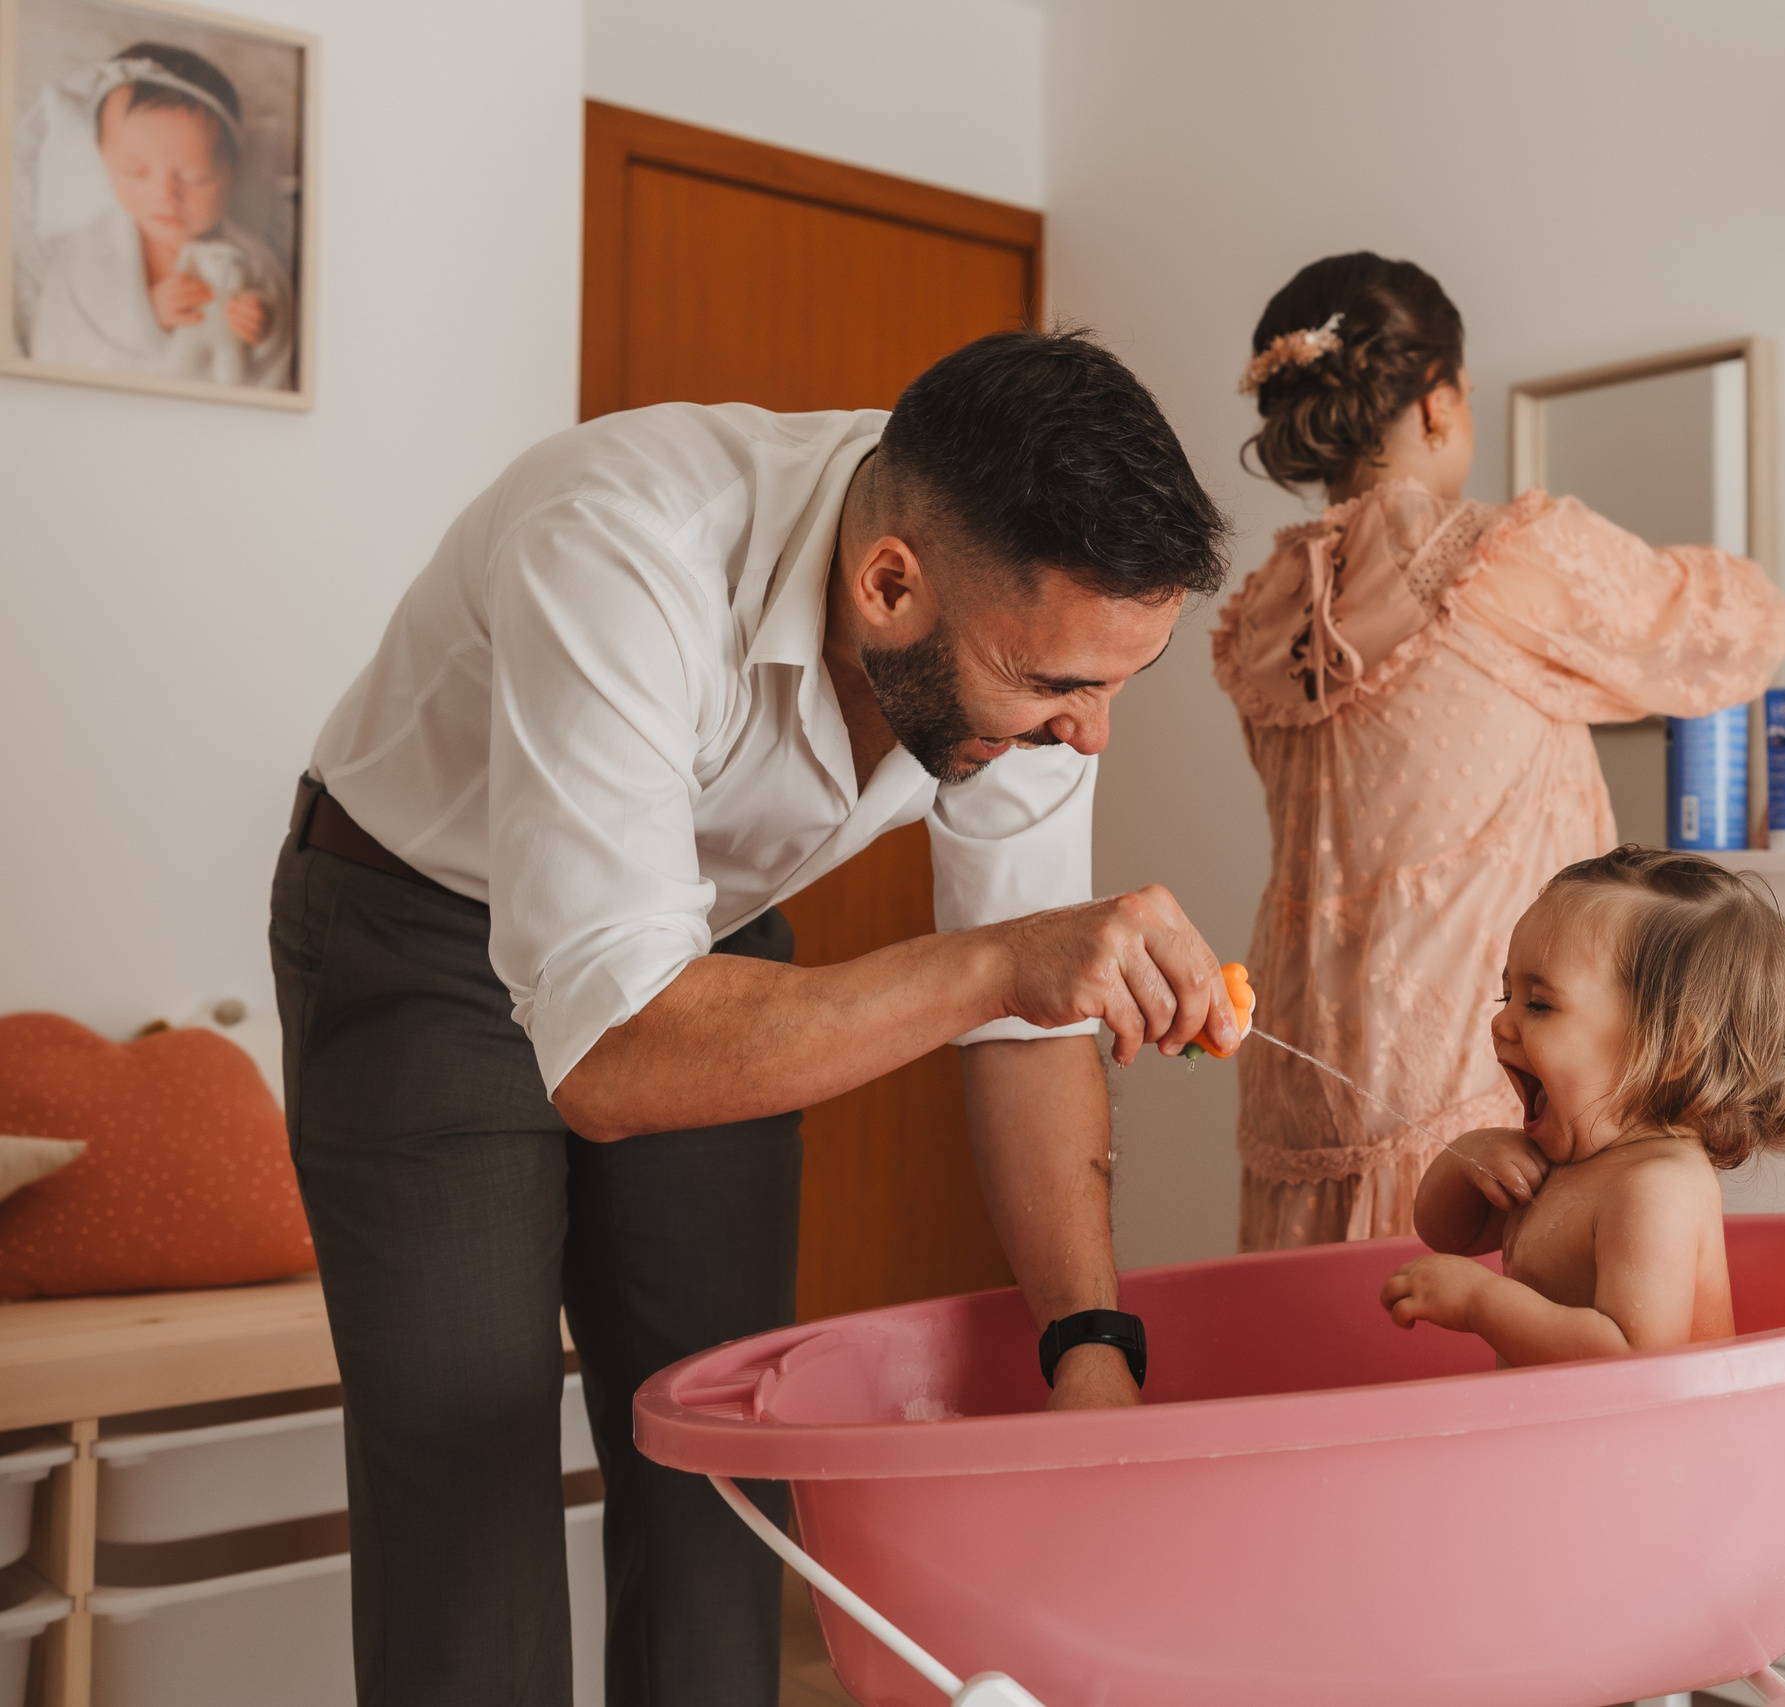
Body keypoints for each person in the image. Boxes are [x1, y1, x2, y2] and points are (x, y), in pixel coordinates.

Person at [270, 329, 1239, 1707]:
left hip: (701, 937)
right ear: (889, 582)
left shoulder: (1029, 665)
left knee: (724, 1447)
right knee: (469, 1456)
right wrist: (989, 968)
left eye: (1115, 684)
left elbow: (1033, 1016)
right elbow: (614, 1055)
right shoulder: (621, 539)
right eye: (1058, 690)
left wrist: (1089, 1341)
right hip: (423, 921)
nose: (1090, 737)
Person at [1212, 252, 1785, 1251]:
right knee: (1465, 1365)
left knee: (1315, 1375)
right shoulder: (1498, 557)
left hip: (1300, 1063)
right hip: (1485, 1066)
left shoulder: (1264, 609)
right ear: (1438, 402)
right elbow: (1742, 631)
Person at [1380, 848, 1785, 1363]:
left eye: (1539, 1004)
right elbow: (1451, 1234)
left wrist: (1480, 1301)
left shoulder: (1656, 1188)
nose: (1501, 1024)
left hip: (1660, 1444)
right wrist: (1464, 1158)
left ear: (1675, 1047)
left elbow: (1631, 1355)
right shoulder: (1571, 1156)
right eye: (1507, 998)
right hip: (1573, 1442)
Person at [29, 44, 294, 388]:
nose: (165, 195)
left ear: (233, 170)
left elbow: (282, 366)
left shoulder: (254, 260)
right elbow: (62, 342)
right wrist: (145, 318)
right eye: (135, 172)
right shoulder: (89, 255)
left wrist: (264, 329)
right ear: (105, 160)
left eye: (195, 177)